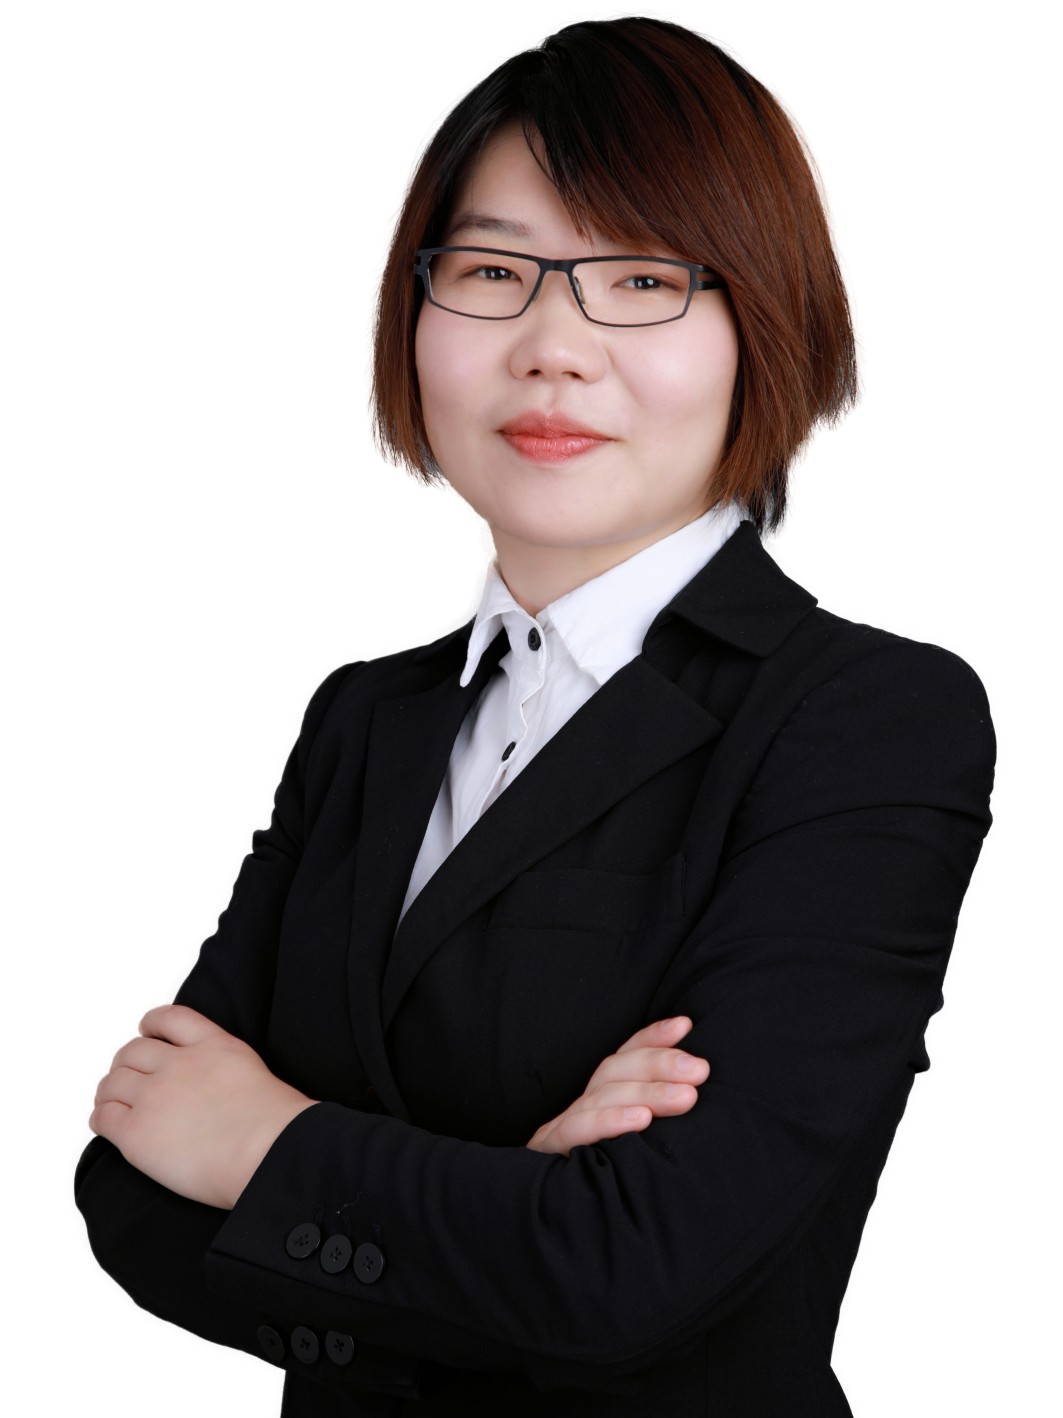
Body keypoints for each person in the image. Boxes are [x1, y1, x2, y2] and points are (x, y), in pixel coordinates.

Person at [74, 16, 996, 1417]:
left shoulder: (867, 720)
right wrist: (516, 1207)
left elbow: (642, 1267)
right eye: (494, 272)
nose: (555, 346)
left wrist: (266, 1144)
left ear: (764, 320)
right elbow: (131, 1187)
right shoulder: (363, 720)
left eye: (643, 279)